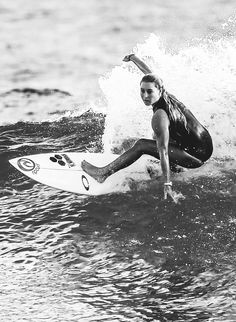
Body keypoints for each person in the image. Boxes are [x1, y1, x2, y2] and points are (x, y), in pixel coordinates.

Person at [81, 54, 213, 202]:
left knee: (142, 145)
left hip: (196, 157)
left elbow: (163, 151)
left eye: (149, 92)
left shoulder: (160, 116)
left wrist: (167, 184)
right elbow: (149, 73)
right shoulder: (164, 92)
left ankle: (103, 173)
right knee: (156, 137)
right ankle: (176, 168)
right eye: (142, 91)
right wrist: (133, 58)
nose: (145, 96)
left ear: (158, 90)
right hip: (205, 146)